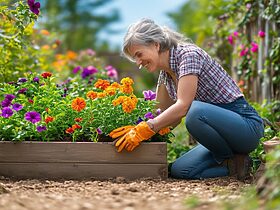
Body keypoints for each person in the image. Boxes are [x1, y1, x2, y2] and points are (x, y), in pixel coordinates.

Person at [109, 18, 264, 180]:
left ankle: (225, 157)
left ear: (155, 44)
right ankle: (236, 166)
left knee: (195, 111)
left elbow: (183, 106)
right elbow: (163, 117)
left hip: (246, 127)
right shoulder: (166, 74)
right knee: (179, 170)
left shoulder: (188, 55)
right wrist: (136, 129)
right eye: (135, 59)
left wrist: (147, 128)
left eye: (139, 55)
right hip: (221, 137)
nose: (139, 63)